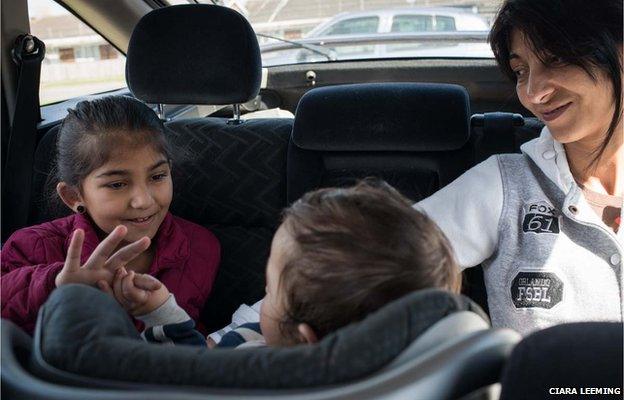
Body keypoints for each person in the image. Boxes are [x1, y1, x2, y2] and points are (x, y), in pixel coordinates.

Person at [417, 0, 623, 335]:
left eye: (556, 58)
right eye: (521, 71)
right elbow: (383, 254)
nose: (533, 93)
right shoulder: (503, 185)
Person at [111, 180, 460, 347]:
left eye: (270, 290)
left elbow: (187, 373)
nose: (262, 296)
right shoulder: (443, 368)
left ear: (305, 342)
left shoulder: (250, 363)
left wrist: (160, 314)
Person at [1, 96, 220, 335]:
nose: (144, 201)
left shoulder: (200, 246)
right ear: (74, 196)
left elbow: (192, 332)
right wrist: (56, 285)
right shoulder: (32, 246)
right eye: (117, 184)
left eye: (157, 176)